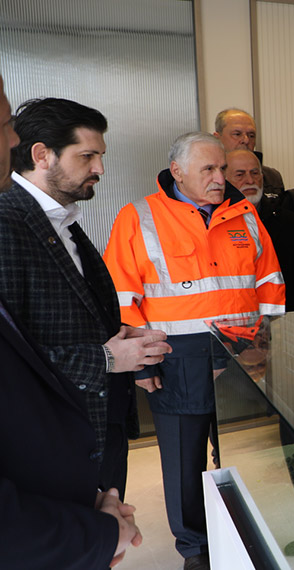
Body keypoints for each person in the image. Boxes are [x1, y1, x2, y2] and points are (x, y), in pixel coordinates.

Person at [103, 132, 286, 570]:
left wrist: (266, 344)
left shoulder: (244, 215)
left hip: (240, 355)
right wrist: (140, 366)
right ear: (178, 172)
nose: (220, 178)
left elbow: (270, 283)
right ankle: (196, 550)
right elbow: (121, 297)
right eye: (208, 169)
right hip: (174, 359)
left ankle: (245, 538)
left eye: (222, 168)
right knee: (184, 463)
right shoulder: (139, 216)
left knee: (243, 452)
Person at [0, 74, 143, 568]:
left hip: (95, 437)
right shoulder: (6, 221)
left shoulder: (64, 221)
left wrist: (123, 341)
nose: (100, 168)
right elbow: (16, 359)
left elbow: (71, 320)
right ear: (42, 155)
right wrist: (106, 358)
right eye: (88, 156)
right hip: (46, 455)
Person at [225, 149, 294, 310]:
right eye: (240, 175)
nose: (250, 180)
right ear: (224, 180)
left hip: (287, 316)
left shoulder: (292, 224)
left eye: (255, 173)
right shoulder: (215, 226)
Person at [212, 108, 285, 196]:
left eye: (251, 135)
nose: (246, 140)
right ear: (217, 138)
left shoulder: (271, 177)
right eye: (237, 134)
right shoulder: (207, 177)